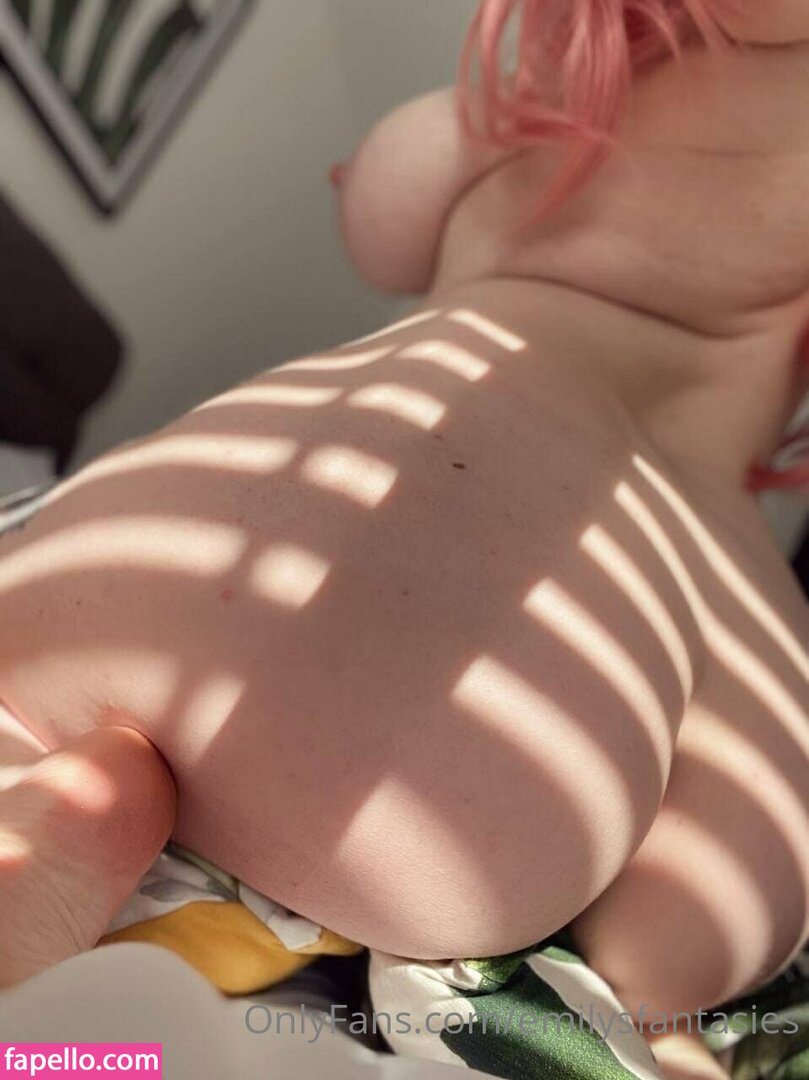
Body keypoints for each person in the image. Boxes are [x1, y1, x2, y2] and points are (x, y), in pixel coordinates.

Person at [0, 4, 806, 1077]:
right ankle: (654, 1037)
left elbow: (383, 213)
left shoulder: (567, 99)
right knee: (676, 968)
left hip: (458, 510)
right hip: (714, 602)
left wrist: (477, 129)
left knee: (99, 854)